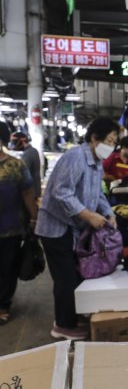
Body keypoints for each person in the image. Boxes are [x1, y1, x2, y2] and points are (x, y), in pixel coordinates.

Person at [35, 117, 119, 340]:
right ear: (94, 138)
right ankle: (63, 325)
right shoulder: (75, 157)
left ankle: (70, 316)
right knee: (66, 279)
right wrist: (89, 215)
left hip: (72, 230)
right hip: (55, 228)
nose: (111, 147)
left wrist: (108, 213)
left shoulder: (96, 163)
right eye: (109, 141)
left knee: (74, 275)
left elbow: (97, 194)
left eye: (114, 143)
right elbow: (61, 193)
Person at [0, 122, 38, 325]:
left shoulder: (16, 165)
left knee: (7, 268)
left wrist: (34, 218)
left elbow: (28, 193)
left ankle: (3, 304)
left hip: (11, 228)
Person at [10, 132, 42, 199]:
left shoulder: (29, 153)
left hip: (30, 193)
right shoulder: (32, 151)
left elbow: (22, 172)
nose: (14, 144)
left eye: (15, 142)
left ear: (22, 141)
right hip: (33, 191)